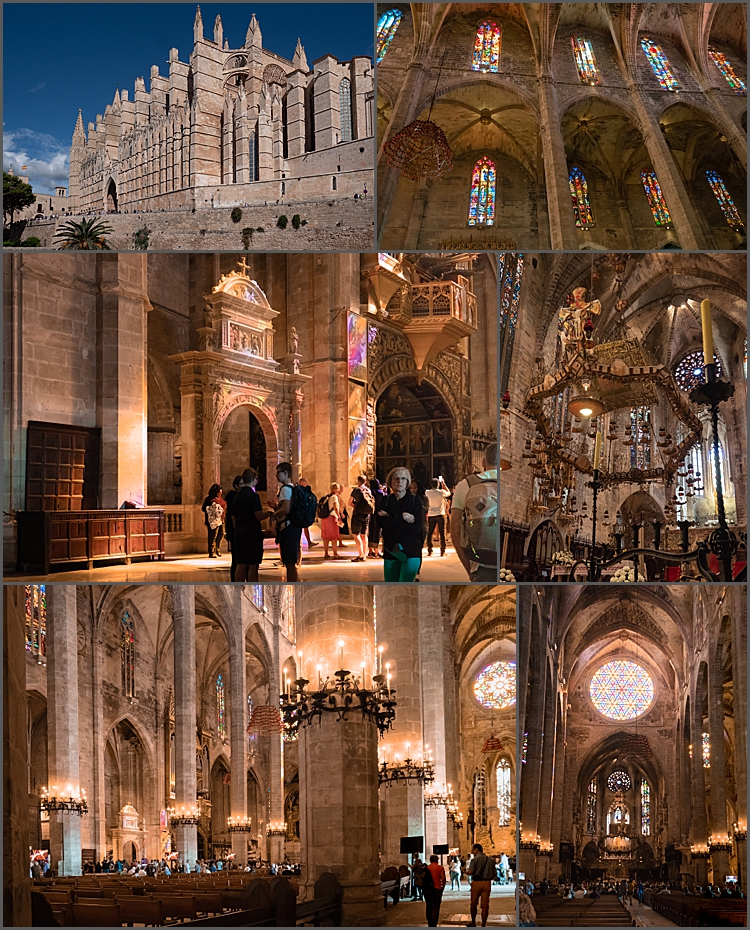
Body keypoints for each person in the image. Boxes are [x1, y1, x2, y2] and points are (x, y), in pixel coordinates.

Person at [450, 443, 498, 582]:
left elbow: (455, 528)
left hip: (480, 563)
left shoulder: (465, 485)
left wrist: (469, 568)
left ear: (483, 462)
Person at [377, 467, 424, 582]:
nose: (399, 481)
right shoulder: (385, 500)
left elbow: (417, 527)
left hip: (411, 549)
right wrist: (402, 518)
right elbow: (379, 522)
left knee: (405, 583)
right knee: (390, 584)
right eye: (396, 479)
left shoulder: (415, 500)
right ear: (390, 482)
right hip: (391, 549)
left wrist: (390, 518)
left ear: (407, 482)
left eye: (403, 478)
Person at [233, 468, 267, 582]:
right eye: (257, 478)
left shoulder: (237, 495)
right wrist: (269, 514)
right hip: (252, 533)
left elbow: (233, 516)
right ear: (253, 479)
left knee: (241, 563)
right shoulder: (254, 496)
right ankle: (252, 587)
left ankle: (238, 588)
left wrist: (237, 528)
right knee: (253, 566)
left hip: (240, 532)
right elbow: (258, 515)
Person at [272, 462, 301, 582]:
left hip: (288, 528)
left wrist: (274, 514)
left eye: (278, 472)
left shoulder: (284, 489)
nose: (276, 475)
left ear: (285, 473)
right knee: (291, 563)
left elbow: (286, 509)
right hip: (294, 526)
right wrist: (275, 507)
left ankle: (292, 584)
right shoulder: (293, 488)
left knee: (289, 563)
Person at [466, 842, 495, 927]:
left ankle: (473, 922)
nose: (472, 852)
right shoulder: (490, 860)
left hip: (477, 882)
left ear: (477, 849)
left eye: (473, 850)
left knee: (473, 904)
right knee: (485, 906)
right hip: (487, 883)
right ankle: (483, 925)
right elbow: (494, 874)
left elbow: (471, 872)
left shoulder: (474, 860)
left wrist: (465, 871)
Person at [348, 474, 375, 562]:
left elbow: (350, 502)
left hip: (358, 514)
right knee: (364, 534)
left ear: (358, 481)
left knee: (356, 534)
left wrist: (356, 507)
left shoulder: (356, 490)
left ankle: (361, 555)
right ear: (365, 481)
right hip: (367, 514)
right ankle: (365, 555)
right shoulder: (368, 490)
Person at [318, 483, 345, 559]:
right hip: (332, 517)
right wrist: (339, 517)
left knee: (325, 537)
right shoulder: (334, 497)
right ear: (335, 489)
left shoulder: (327, 497)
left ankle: (326, 553)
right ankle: (335, 553)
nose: (338, 490)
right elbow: (336, 508)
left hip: (325, 518)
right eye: (338, 488)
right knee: (334, 537)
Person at [425, 477, 451, 556]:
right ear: (438, 484)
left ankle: (430, 550)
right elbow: (449, 493)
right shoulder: (441, 492)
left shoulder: (427, 492)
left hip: (431, 514)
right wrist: (444, 484)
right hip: (440, 514)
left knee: (429, 533)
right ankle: (442, 551)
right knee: (442, 533)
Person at [224, 475, 243, 581]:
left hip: (237, 531)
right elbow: (232, 516)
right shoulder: (233, 497)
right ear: (236, 485)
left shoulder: (239, 496)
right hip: (235, 531)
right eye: (241, 484)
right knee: (236, 559)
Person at [201, 483, 227, 558]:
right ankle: (211, 551)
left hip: (221, 519)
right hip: (213, 521)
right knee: (213, 535)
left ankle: (217, 548)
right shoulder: (209, 499)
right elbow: (204, 508)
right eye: (220, 489)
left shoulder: (220, 498)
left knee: (221, 533)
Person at [424, 855, 447, 927]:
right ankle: (434, 923)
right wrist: (442, 887)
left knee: (429, 905)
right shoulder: (440, 868)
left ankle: (429, 921)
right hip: (437, 888)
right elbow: (443, 879)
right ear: (437, 860)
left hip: (428, 889)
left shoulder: (427, 868)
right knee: (436, 906)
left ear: (430, 860)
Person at [298, 478, 319, 552]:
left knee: (305, 528)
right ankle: (302, 542)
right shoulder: (300, 491)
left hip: (303, 513)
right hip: (301, 514)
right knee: (301, 528)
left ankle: (308, 542)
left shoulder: (303, 491)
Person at [367, 478, 386, 558]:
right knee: (377, 532)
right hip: (378, 514)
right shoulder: (381, 493)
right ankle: (376, 551)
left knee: (371, 531)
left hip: (370, 514)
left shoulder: (369, 492)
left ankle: (370, 550)